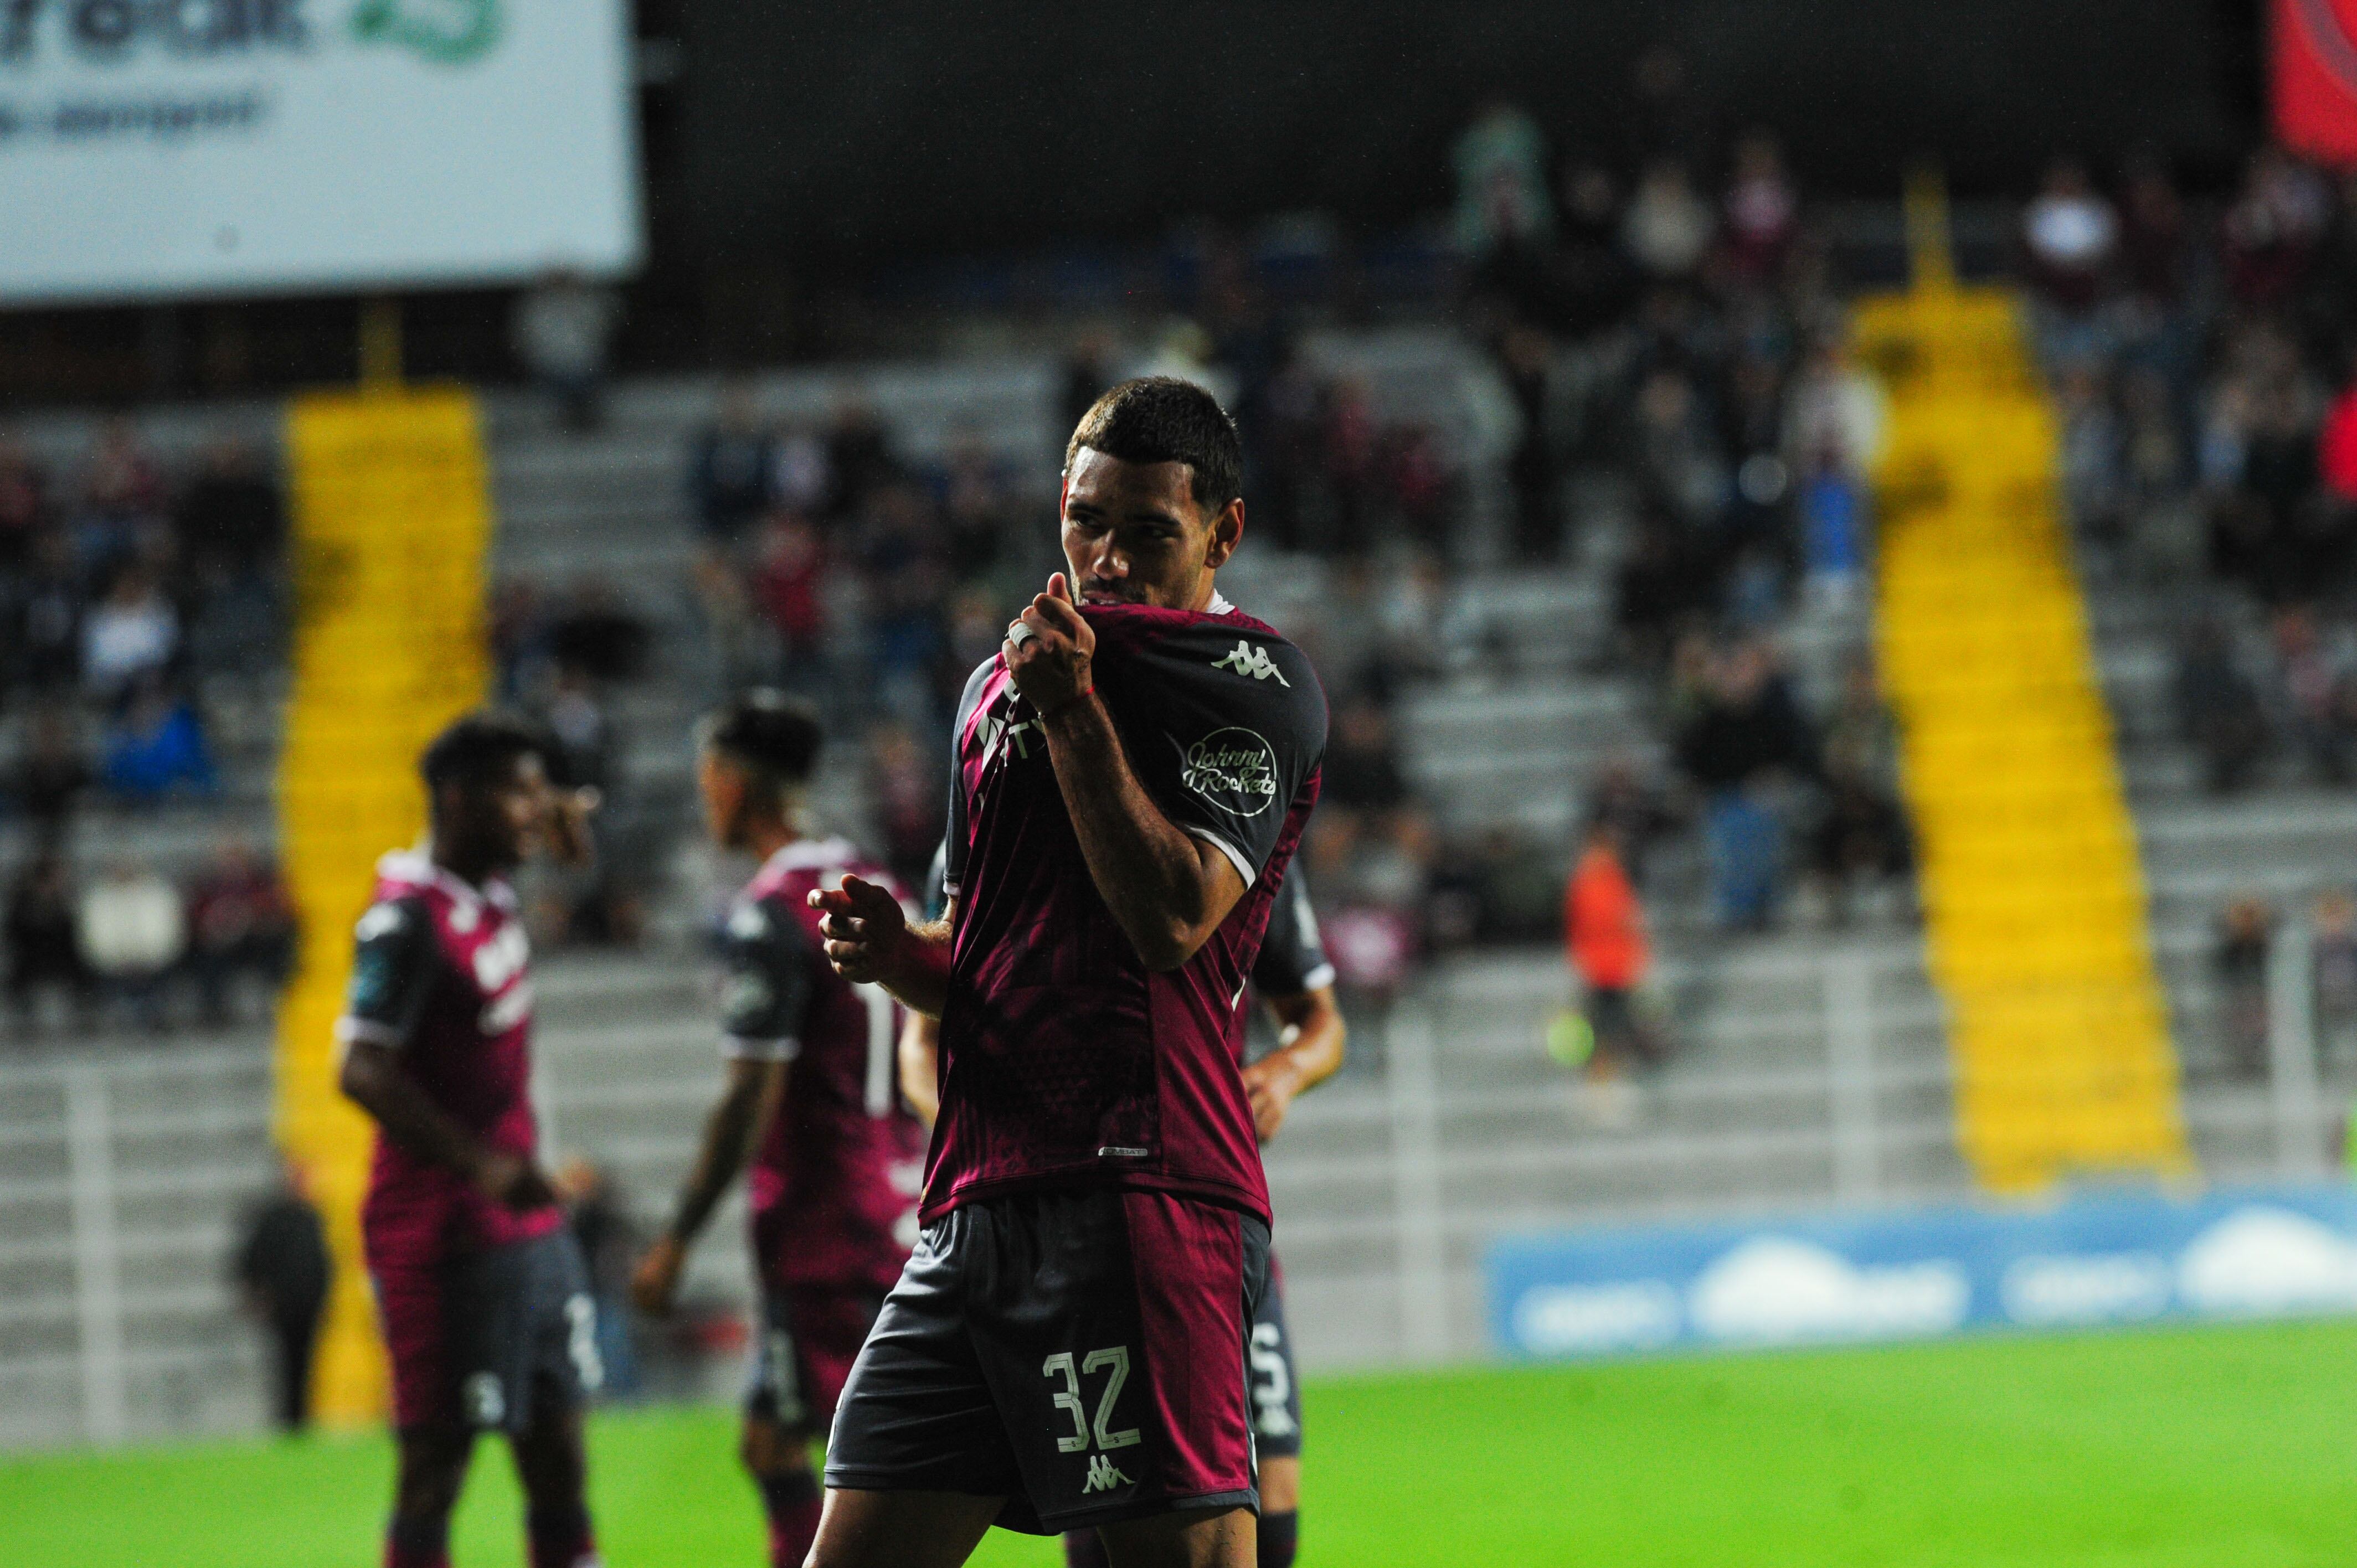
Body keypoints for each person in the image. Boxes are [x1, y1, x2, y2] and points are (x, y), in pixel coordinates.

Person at [807, 377, 1328, 1567]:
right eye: (1086, 521)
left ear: (1221, 534)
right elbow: (985, 964)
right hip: (973, 1210)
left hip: (1139, 1197)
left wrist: (1076, 714)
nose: (1108, 559)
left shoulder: (1250, 683)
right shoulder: (995, 686)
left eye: (1149, 531)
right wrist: (900, 958)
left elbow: (1171, 921)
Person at [896, 859, 1342, 1568]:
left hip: (1200, 1218)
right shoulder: (971, 841)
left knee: (1269, 1493)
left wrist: (1284, 1071)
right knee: (1099, 1485)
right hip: (1059, 1220)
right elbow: (920, 1046)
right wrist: (990, 1128)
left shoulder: (1220, 830)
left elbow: (1319, 1021)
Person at [629, 692, 927, 1568]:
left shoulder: (771, 912)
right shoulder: (880, 885)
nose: (704, 800)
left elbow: (749, 1098)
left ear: (734, 783)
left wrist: (676, 1239)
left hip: (825, 1223)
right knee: (771, 1443)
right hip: (896, 1195)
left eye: (707, 781)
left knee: (864, 1485)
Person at [334, 712, 604, 1568]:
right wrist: (479, 1163)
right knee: (436, 1465)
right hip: (441, 1233)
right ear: (459, 801)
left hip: (524, 1224)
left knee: (559, 1446)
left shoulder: (485, 885)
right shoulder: (403, 920)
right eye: (518, 793)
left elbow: (557, 847)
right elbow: (360, 1068)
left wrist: (558, 823)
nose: (535, 810)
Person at [231, 1160, 331, 1432]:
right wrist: (257, 1296)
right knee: (285, 1367)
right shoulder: (273, 1218)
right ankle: (288, 1423)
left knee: (306, 1367)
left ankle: (302, 1422)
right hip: (283, 1310)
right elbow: (252, 1260)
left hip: (309, 1308)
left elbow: (322, 1265)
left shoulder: (312, 1217)